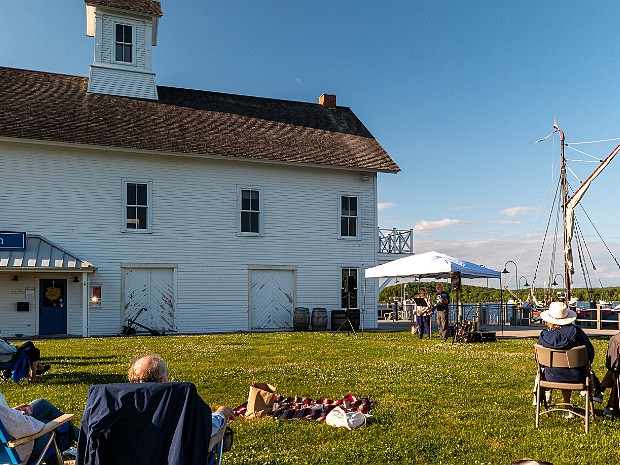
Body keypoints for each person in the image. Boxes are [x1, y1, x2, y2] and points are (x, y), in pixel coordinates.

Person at [128, 355, 235, 436]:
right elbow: (205, 428)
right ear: (163, 380)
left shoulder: (121, 404)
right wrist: (222, 413)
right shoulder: (179, 400)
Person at [536, 301, 596, 418]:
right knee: (567, 370)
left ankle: (547, 394)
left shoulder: (544, 336)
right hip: (576, 377)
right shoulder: (577, 333)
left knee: (557, 369)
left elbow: (537, 359)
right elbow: (590, 353)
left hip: (550, 377)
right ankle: (567, 407)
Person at [0, 392, 78, 464]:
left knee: (41, 404)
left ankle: (84, 441)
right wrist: (23, 417)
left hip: (5, 451)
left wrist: (12, 413)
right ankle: (85, 442)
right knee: (50, 426)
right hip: (15, 455)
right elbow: (24, 429)